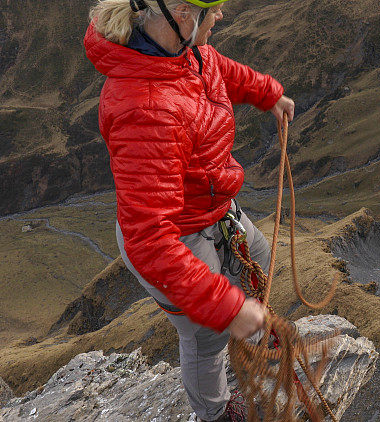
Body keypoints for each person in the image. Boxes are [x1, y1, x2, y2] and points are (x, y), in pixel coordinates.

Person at [84, 1, 294, 420]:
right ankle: (215, 412)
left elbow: (222, 71)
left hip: (213, 209)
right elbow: (151, 242)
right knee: (204, 336)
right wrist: (227, 310)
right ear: (181, 12)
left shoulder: (187, 52)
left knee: (261, 261)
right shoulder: (144, 108)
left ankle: (252, 334)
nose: (221, 16)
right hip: (175, 237)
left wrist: (268, 94)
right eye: (214, 9)